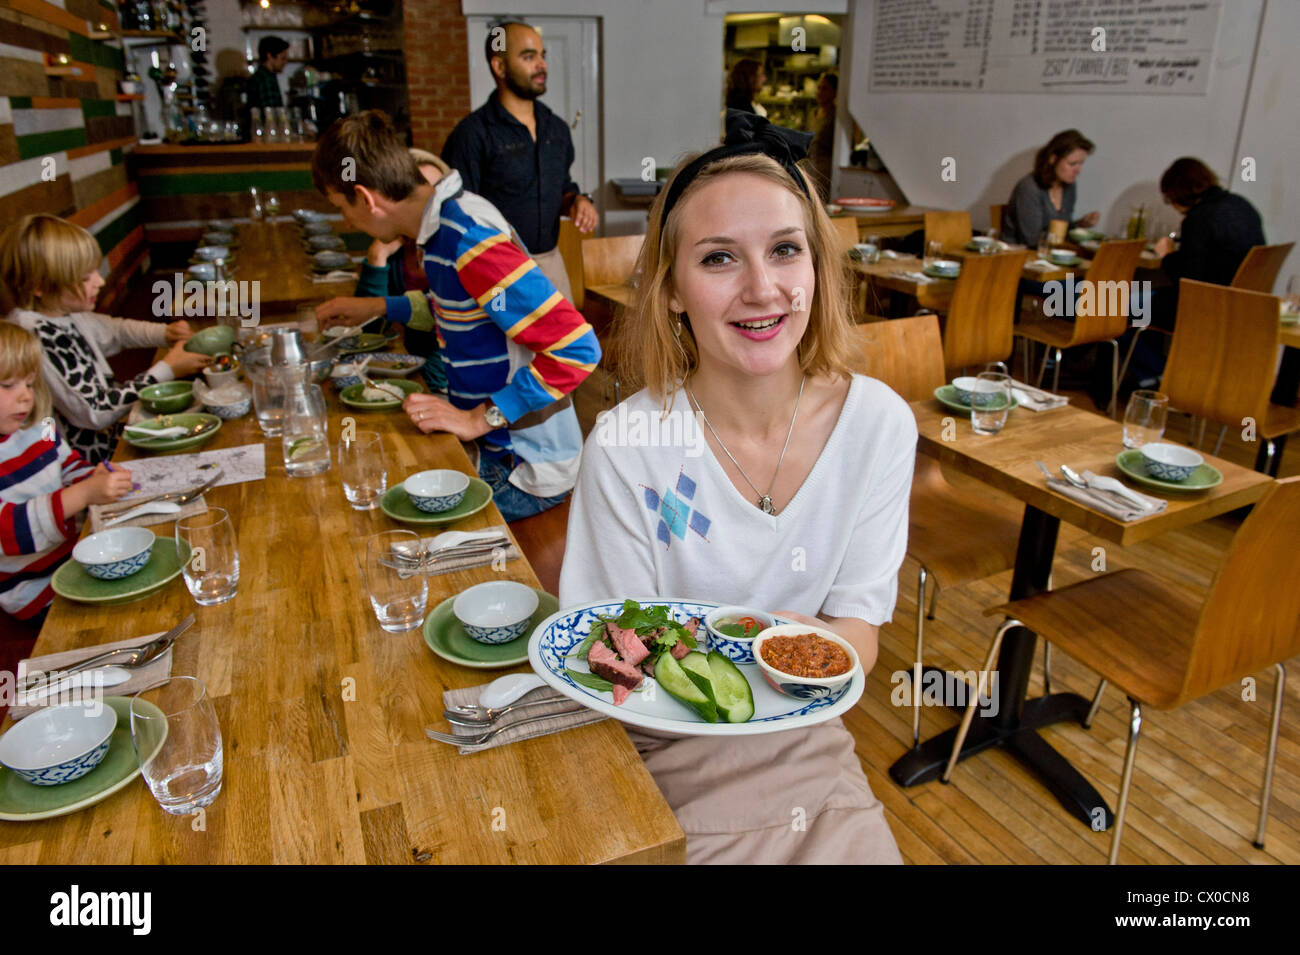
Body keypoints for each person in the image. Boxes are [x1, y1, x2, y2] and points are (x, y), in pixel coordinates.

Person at [558, 113, 915, 864]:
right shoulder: (628, 446)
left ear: (816, 267)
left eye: (785, 250)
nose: (763, 289)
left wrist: (795, 649)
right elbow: (613, 654)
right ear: (673, 291)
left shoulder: (877, 425)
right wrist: (726, 660)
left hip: (805, 740)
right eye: (719, 258)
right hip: (664, 746)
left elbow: (859, 629)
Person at [311, 110, 600, 522]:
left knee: (370, 514)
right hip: (499, 448)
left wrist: (476, 419)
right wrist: (376, 306)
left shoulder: (467, 238)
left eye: (342, 207)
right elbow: (461, 310)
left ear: (366, 198)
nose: (346, 221)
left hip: (524, 468)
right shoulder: (439, 225)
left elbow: (577, 348)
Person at [0, 214, 209, 464]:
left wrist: (165, 333)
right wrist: (168, 369)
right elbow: (96, 410)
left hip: (108, 446)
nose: (100, 282)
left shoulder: (62, 313)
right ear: (40, 286)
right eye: (85, 278)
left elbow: (117, 330)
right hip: (84, 465)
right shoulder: (37, 335)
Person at [441, 19, 596, 300]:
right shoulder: (472, 134)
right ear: (499, 67)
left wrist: (576, 201)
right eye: (528, 56)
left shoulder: (556, 129)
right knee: (507, 346)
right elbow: (457, 212)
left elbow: (562, 186)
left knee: (568, 343)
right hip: (496, 269)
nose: (542, 65)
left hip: (551, 263)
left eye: (542, 55)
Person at [0, 323, 133, 626]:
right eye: (9, 385)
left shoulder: (40, 426)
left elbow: (65, 464)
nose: (25, 397)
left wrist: (92, 476)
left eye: (30, 384)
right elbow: (8, 530)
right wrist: (83, 495)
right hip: (35, 591)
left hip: (77, 557)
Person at [1121, 157, 1268, 390]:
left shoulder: (1199, 219)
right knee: (1150, 302)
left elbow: (1188, 278)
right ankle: (1149, 376)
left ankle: (1158, 372)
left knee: (1117, 307)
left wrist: (1166, 255)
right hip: (1241, 306)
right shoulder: (1242, 205)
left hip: (1203, 307)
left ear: (1177, 194)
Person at [318, 148, 452, 394]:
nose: (427, 207)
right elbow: (369, 331)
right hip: (418, 379)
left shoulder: (460, 242)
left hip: (446, 387)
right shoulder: (396, 247)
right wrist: (376, 258)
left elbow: (459, 312)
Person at [1002, 129, 1100, 247]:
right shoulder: (1029, 188)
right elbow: (1031, 240)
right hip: (1021, 255)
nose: (1078, 171)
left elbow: (1063, 230)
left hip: (1050, 254)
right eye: (1072, 164)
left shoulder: (1069, 186)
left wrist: (1081, 224)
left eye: (1081, 164)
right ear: (1053, 159)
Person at [806, 71, 837, 200]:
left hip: (826, 170)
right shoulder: (812, 113)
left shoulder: (836, 116)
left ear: (834, 91)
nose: (819, 92)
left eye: (824, 88)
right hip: (809, 167)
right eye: (818, 88)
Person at [247, 36, 289, 110]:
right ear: (269, 56)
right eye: (282, 58)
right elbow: (271, 112)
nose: (285, 62)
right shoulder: (265, 78)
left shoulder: (266, 75)